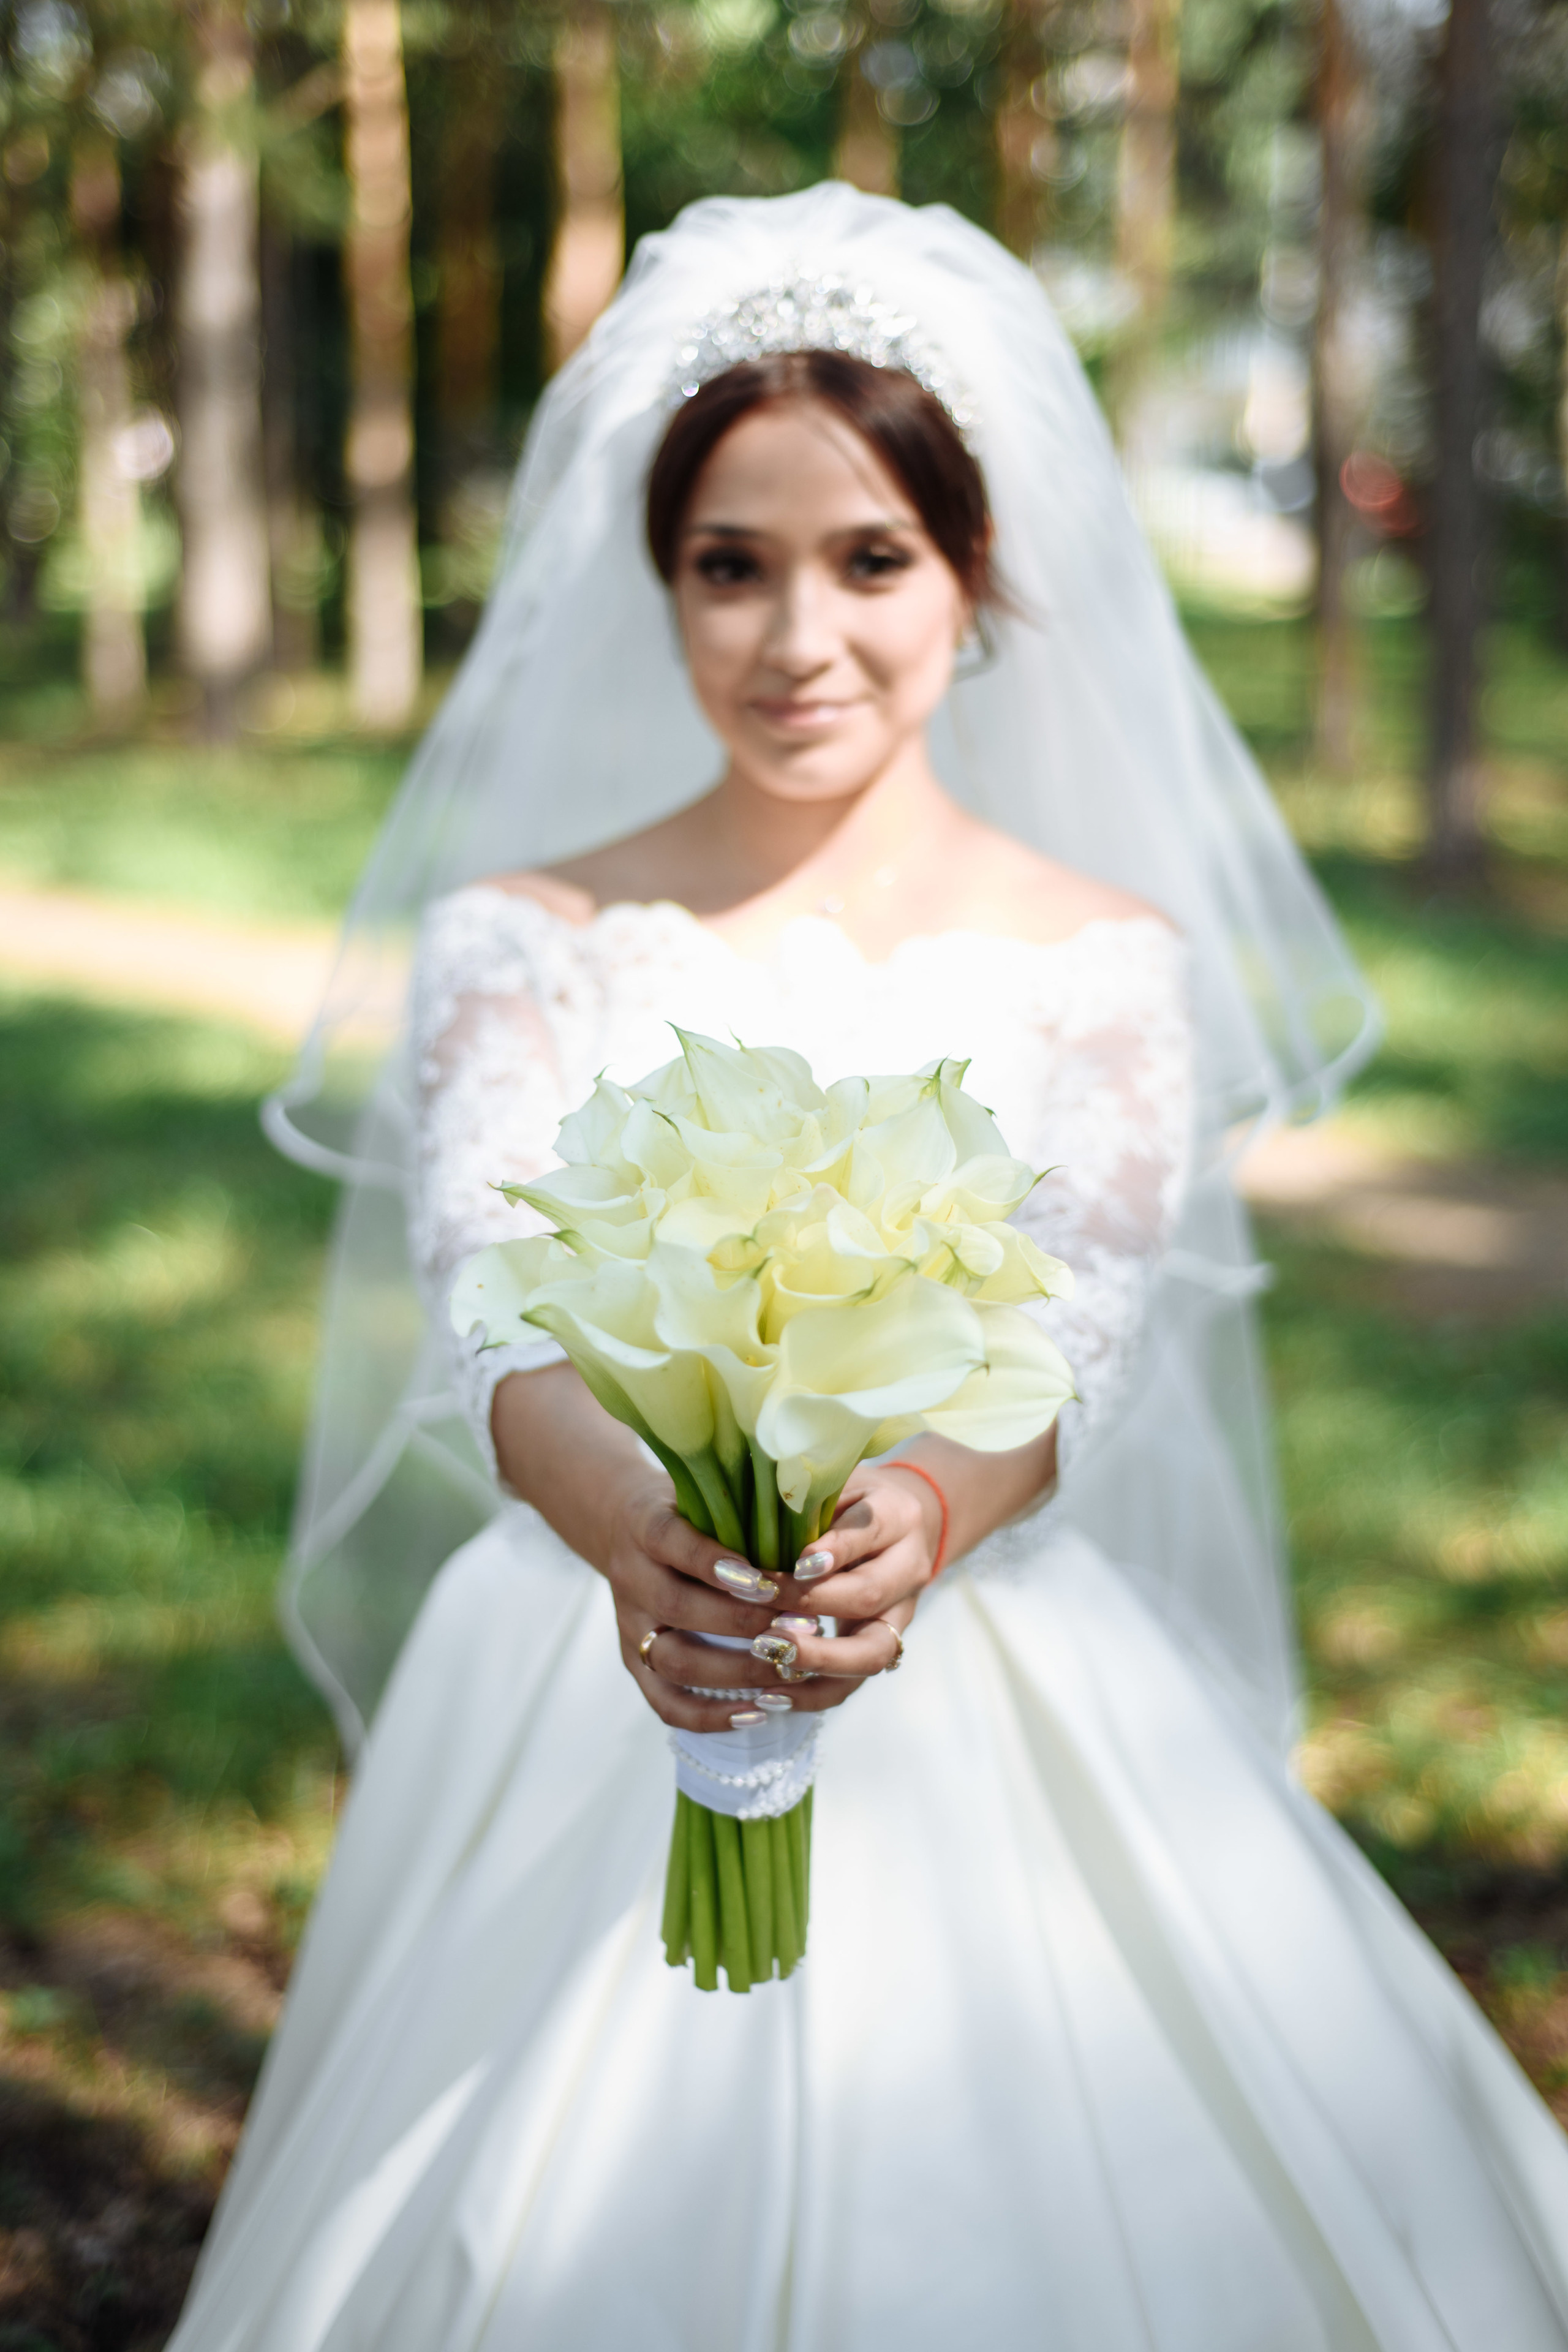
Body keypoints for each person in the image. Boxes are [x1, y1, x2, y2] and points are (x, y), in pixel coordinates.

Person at [171, 187, 1568, 2350]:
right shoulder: (528, 942)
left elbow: (1073, 1333)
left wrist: (914, 1514)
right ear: (656, 579)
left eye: (869, 560)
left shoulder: (1105, 959)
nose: (795, 636)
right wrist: (649, 1544)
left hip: (969, 1634)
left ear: (976, 576)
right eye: (730, 563)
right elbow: (492, 1316)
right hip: (592, 1634)